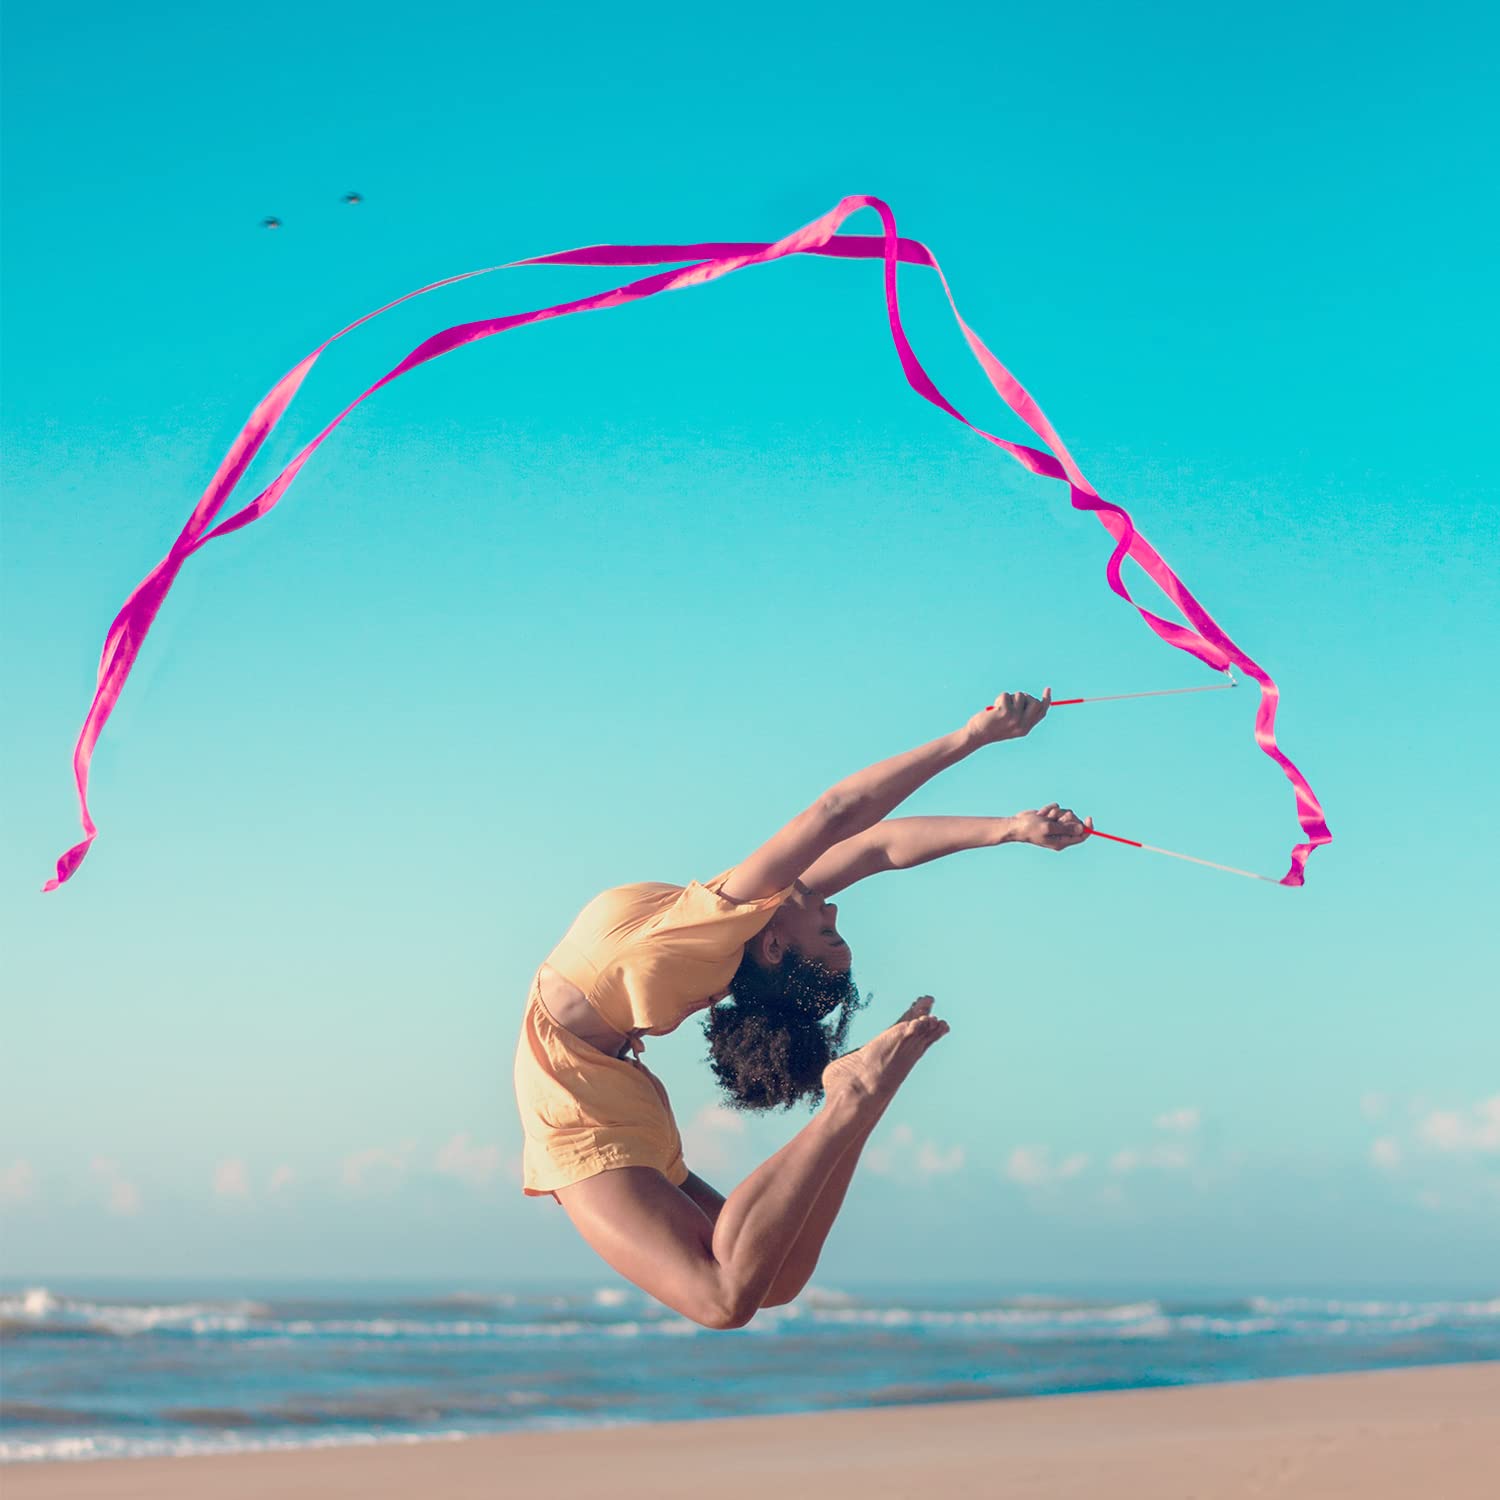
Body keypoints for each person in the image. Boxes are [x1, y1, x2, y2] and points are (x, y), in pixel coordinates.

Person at [513, 688, 1090, 1328]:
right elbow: (877, 849)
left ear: (780, 946)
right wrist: (1007, 829)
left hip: (577, 1103)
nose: (833, 909)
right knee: (774, 1279)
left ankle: (850, 1103)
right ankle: (856, 1104)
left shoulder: (715, 920)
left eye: (829, 934)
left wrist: (971, 738)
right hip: (611, 1090)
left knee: (723, 1298)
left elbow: (839, 812)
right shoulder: (735, 933)